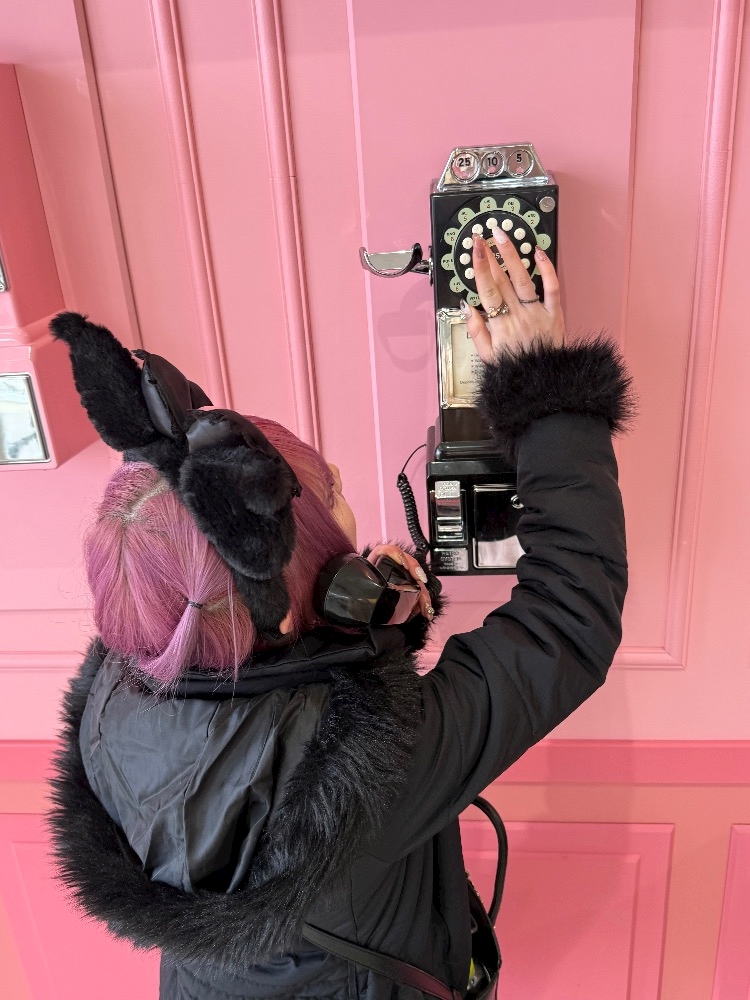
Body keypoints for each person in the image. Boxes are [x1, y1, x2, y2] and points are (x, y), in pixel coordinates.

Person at [48, 231, 634, 1000]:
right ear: (299, 607)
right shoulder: (371, 769)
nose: (344, 496)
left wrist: (374, 633)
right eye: (331, 499)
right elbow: (569, 614)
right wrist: (548, 396)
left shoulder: (113, 711)